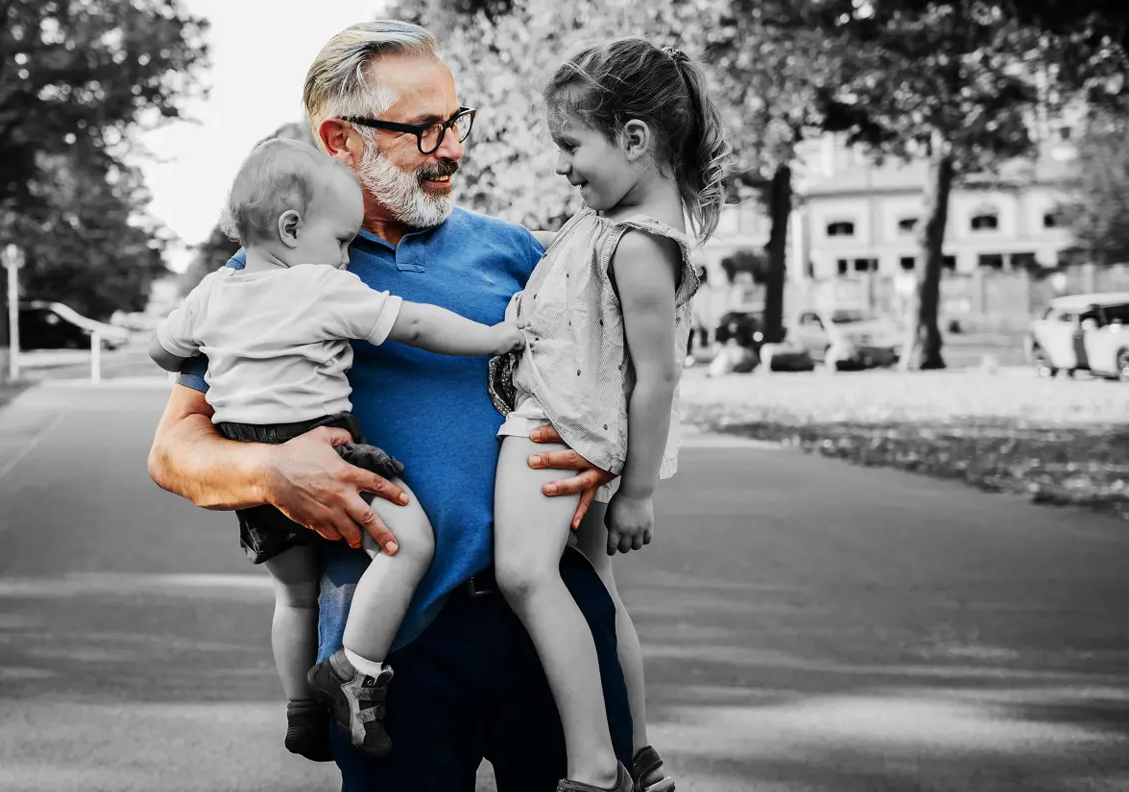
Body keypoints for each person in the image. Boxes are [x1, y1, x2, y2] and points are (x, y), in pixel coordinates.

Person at [148, 20, 630, 791]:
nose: (452, 148)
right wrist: (273, 470)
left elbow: (620, 373)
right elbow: (173, 451)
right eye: (424, 129)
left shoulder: (518, 251)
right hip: (392, 647)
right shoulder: (266, 274)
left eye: (456, 120)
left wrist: (606, 450)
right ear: (339, 139)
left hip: (549, 614)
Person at [147, 136, 521, 761]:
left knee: (293, 595)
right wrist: (496, 335)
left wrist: (215, 348)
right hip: (322, 448)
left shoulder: (213, 292)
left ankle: (300, 712)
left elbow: (162, 351)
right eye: (342, 240)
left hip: (250, 459)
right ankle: (356, 668)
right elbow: (418, 325)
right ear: (293, 230)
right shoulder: (323, 286)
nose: (348, 257)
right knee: (407, 547)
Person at [486, 38, 729, 792]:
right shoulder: (605, 226)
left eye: (571, 145)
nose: (562, 166)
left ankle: (593, 760)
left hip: (558, 427)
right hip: (579, 423)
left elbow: (657, 377)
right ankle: (639, 747)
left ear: (633, 138)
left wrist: (639, 491)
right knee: (592, 588)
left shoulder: (636, 245)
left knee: (525, 573)